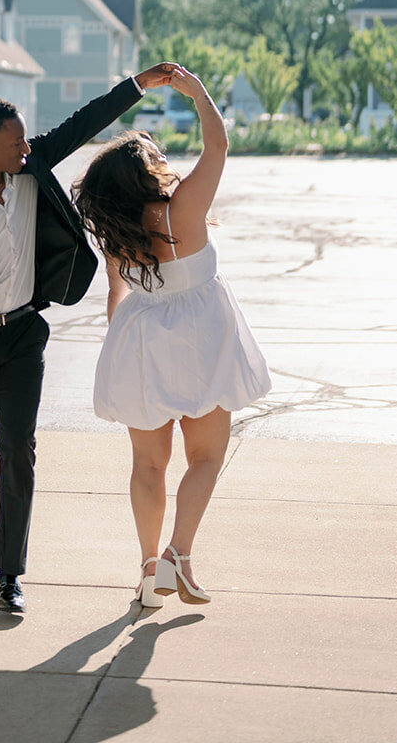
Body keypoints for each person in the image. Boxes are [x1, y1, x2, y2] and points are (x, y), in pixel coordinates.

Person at [0, 64, 177, 614]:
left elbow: (83, 123)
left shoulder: (30, 169)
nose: (25, 148)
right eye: (15, 142)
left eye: (26, 139)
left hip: (23, 335)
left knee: (18, 451)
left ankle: (11, 574)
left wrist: (138, 85)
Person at [74, 66, 271, 609]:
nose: (165, 157)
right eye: (156, 153)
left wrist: (121, 353)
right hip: (201, 336)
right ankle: (177, 555)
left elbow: (115, 296)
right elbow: (218, 145)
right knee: (205, 457)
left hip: (139, 337)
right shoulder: (182, 208)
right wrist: (197, 92)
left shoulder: (119, 231)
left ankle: (147, 571)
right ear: (145, 171)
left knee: (147, 464)